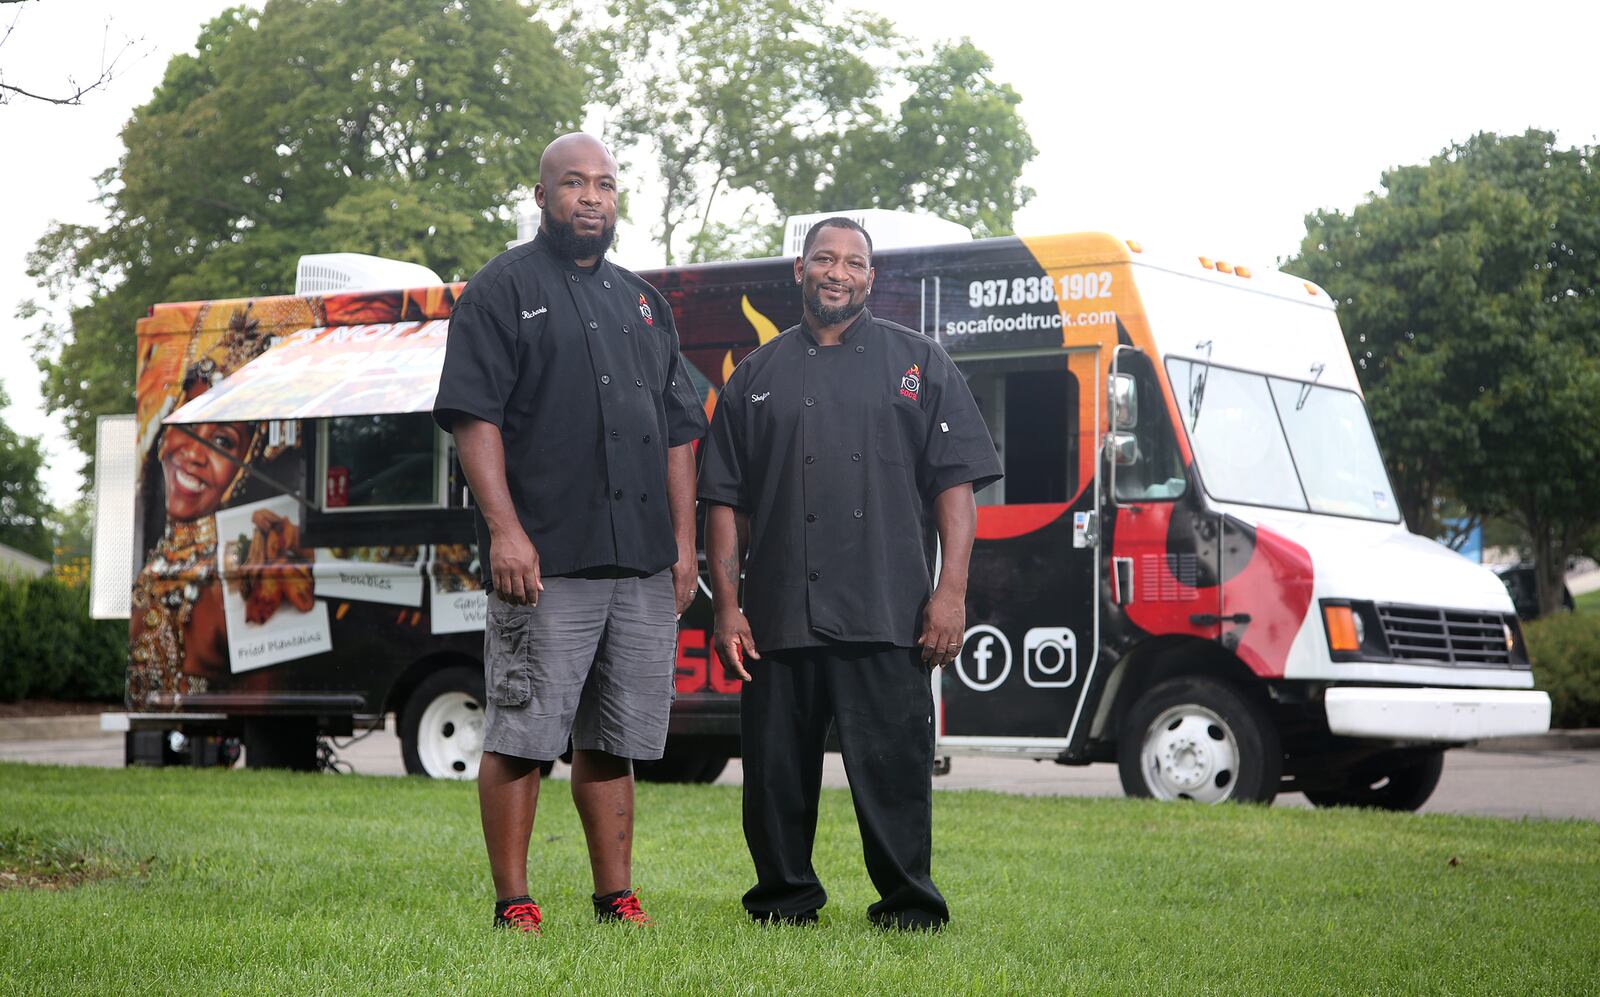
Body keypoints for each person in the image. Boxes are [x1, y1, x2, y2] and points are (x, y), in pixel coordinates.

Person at [433, 133, 706, 936]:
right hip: (545, 561)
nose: (592, 197)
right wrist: (507, 531)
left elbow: (679, 432)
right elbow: (473, 418)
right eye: (575, 184)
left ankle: (613, 893)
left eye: (606, 185)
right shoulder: (499, 290)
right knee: (523, 731)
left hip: (641, 561)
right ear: (543, 194)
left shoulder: (645, 303)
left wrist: (683, 545)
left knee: (613, 737)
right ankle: (514, 899)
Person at [699, 217, 1002, 931]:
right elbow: (724, 501)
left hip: (888, 608)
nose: (838, 272)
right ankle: (783, 900)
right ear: (799, 269)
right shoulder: (755, 375)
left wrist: (950, 595)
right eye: (824, 259)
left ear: (873, 276)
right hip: (779, 616)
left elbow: (956, 492)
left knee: (895, 771)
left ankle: (909, 905)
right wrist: (727, 607)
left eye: (854, 262)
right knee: (774, 775)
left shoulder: (919, 361)